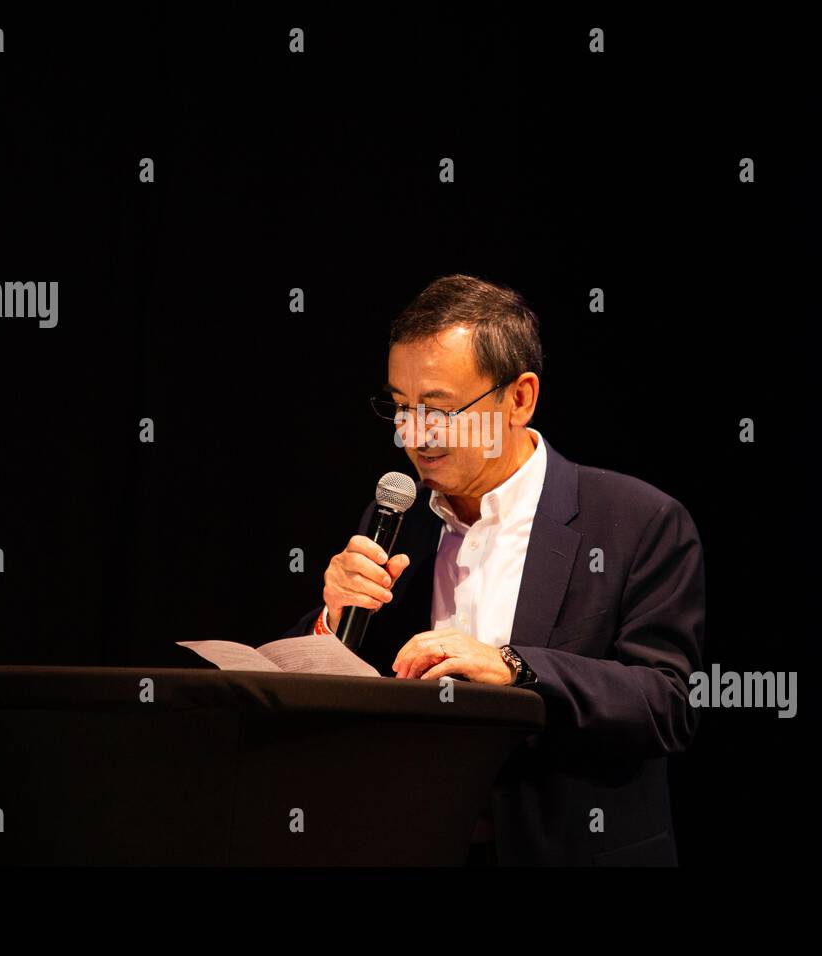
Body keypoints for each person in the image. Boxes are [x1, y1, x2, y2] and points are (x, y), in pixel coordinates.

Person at [283, 274, 705, 865]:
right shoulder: (398, 520)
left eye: (439, 408)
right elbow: (353, 690)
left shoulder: (637, 521)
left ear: (521, 398)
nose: (413, 434)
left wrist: (514, 667)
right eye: (400, 408)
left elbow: (665, 705)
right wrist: (332, 619)